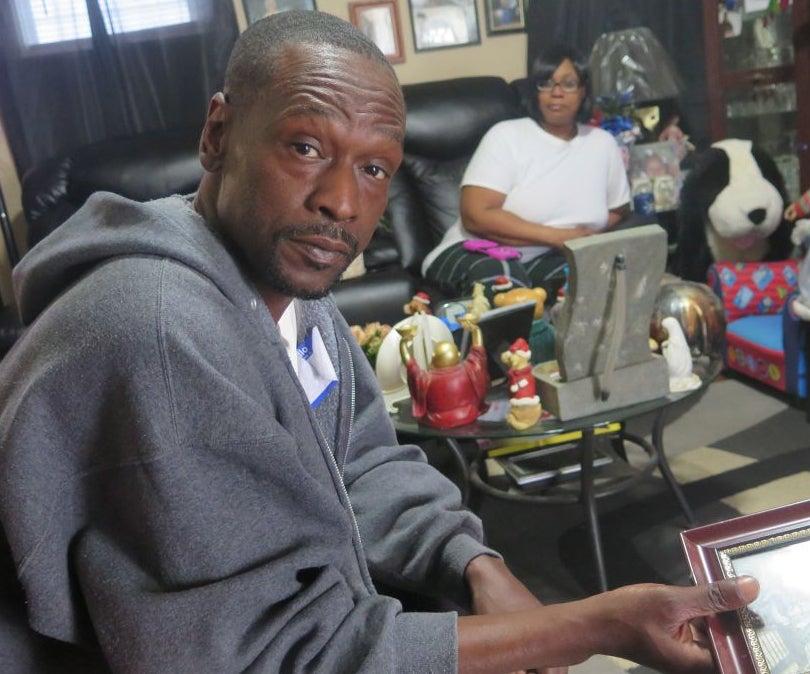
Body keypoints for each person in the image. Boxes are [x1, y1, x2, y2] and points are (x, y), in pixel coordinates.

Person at [0, 10, 758, 673]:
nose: (341, 202)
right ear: (218, 133)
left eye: (373, 169)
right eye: (304, 147)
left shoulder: (291, 290)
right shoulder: (163, 333)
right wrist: (591, 626)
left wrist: (475, 564)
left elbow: (359, 456)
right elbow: (268, 654)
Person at [421, 44, 632, 301]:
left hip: (551, 258)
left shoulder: (602, 143)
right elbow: (475, 215)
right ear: (536, 91)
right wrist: (559, 237)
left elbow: (619, 209)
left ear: (583, 90)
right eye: (546, 83)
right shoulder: (507, 135)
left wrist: (587, 239)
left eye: (568, 84)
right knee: (504, 283)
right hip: (478, 251)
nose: (556, 93)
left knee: (593, 282)